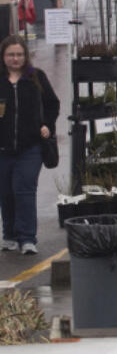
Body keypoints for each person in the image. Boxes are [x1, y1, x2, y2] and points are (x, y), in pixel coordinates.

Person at [0, 36, 58, 254]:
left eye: (19, 54)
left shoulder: (36, 78)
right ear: (3, 57)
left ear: (25, 56)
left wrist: (47, 125)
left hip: (30, 147)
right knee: (5, 191)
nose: (15, 59)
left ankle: (27, 238)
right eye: (11, 55)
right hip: (3, 149)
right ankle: (10, 235)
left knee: (23, 189)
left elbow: (52, 104)